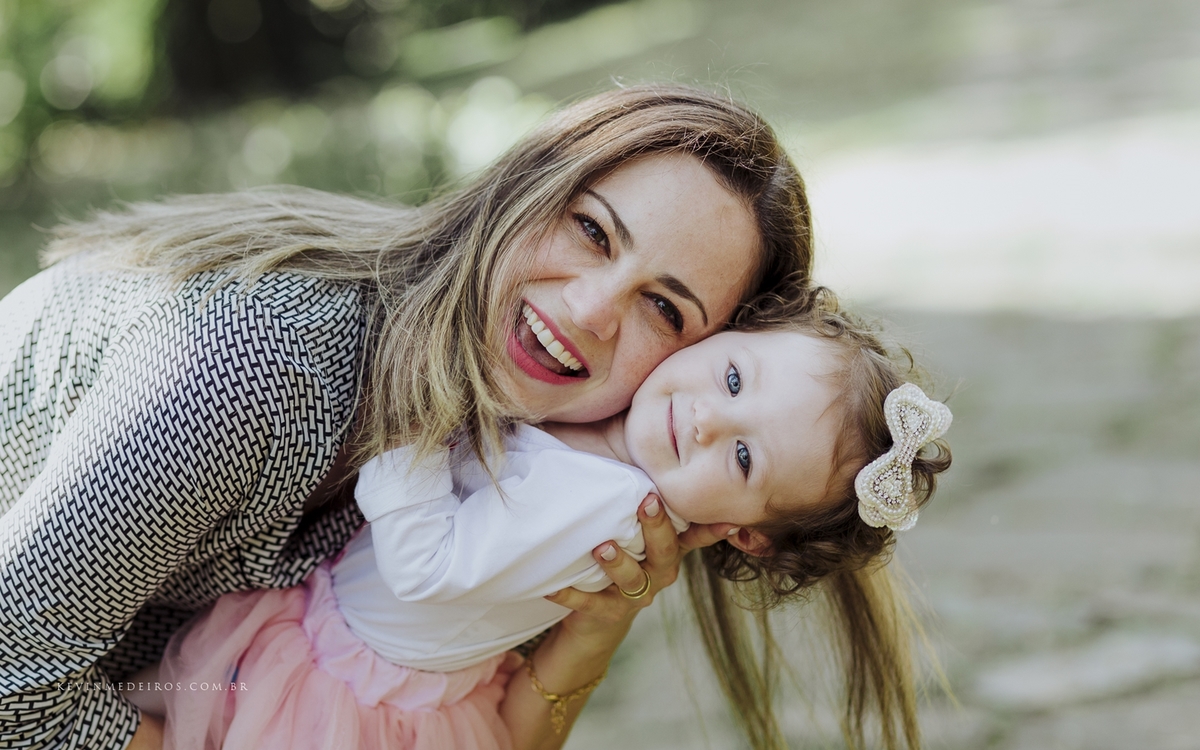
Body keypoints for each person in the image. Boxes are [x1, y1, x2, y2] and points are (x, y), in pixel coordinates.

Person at [0, 85, 813, 750]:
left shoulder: (558, 456)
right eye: (591, 230)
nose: (590, 309)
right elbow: (12, 683)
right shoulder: (259, 363)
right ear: (522, 190)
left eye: (665, 309)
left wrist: (594, 628)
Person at [137, 289, 952, 750]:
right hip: (340, 641)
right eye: (734, 378)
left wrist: (416, 414)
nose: (707, 421)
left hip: (336, 692)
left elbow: (428, 564)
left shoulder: (604, 505)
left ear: (745, 533)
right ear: (733, 331)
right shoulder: (609, 448)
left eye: (744, 460)